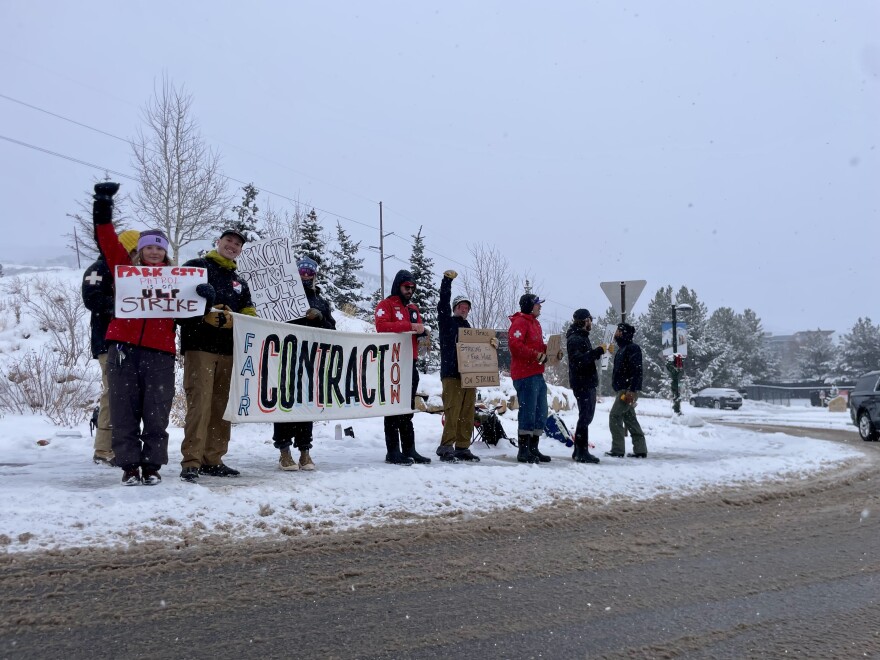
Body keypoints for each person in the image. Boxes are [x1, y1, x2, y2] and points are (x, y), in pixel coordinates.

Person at [92, 182, 208, 485]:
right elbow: (106, 240)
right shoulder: (125, 272)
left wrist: (203, 297)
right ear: (139, 251)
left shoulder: (177, 280)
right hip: (123, 349)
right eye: (148, 247)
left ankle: (152, 465)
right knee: (123, 409)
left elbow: (190, 313)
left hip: (161, 353)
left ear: (165, 252)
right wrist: (103, 204)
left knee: (156, 412)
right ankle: (129, 466)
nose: (154, 252)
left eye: (159, 247)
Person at [177, 229, 257, 483]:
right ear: (219, 242)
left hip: (229, 350)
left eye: (237, 244)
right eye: (229, 241)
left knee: (221, 407)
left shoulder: (239, 281)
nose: (232, 246)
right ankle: (191, 460)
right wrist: (204, 310)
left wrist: (240, 319)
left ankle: (214, 458)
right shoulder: (196, 267)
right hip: (199, 346)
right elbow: (179, 304)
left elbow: (248, 310)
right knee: (199, 404)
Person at [273, 256, 337, 472]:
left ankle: (304, 450)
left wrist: (320, 318)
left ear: (315, 275)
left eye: (310, 272)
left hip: (311, 359)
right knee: (285, 403)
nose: (306, 275)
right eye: (302, 271)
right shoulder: (284, 296)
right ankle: (284, 451)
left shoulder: (321, 301)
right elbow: (270, 321)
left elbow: (332, 330)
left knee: (306, 404)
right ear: (296, 273)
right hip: (285, 357)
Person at [81, 229, 139, 466]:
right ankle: (104, 448)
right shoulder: (100, 268)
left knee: (125, 395)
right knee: (113, 394)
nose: (136, 256)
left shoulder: (133, 272)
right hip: (108, 342)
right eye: (134, 250)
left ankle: (119, 444)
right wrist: (126, 305)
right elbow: (92, 300)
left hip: (131, 342)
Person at [436, 270, 496, 462]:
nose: (464, 309)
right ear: (455, 308)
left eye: (466, 307)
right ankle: (446, 447)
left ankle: (462, 447)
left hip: (469, 375)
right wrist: (447, 282)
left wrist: (491, 344)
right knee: (452, 410)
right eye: (461, 306)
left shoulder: (470, 329)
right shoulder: (447, 323)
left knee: (467, 412)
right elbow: (442, 304)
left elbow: (479, 350)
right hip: (452, 374)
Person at [374, 269, 431, 465]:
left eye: (413, 288)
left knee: (407, 407)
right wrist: (408, 326)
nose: (410, 290)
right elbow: (381, 326)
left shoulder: (413, 309)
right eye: (407, 287)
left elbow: (417, 328)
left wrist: (422, 332)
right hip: (392, 363)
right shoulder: (386, 305)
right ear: (398, 285)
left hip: (410, 362)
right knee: (393, 408)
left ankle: (409, 449)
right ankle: (392, 451)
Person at [508, 293, 561, 463]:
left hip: (537, 374)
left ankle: (533, 448)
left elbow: (537, 346)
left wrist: (551, 352)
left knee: (541, 411)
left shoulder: (535, 324)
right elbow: (515, 346)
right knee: (528, 411)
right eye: (538, 304)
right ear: (530, 306)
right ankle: (523, 450)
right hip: (524, 375)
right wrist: (535, 355)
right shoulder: (520, 322)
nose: (540, 307)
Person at [565, 308, 604, 464]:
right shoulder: (575, 339)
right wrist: (596, 352)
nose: (591, 323)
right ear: (583, 321)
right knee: (585, 417)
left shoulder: (581, 337)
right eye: (590, 320)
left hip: (585, 381)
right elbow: (578, 361)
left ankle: (579, 450)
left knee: (586, 416)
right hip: (582, 382)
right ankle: (581, 451)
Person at [605, 322, 648, 458]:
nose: (615, 333)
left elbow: (637, 370)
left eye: (618, 331)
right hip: (624, 389)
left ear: (623, 333)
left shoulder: (632, 348)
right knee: (630, 419)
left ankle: (618, 450)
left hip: (627, 390)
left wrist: (632, 389)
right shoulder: (622, 349)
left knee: (614, 416)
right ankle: (640, 450)